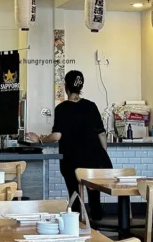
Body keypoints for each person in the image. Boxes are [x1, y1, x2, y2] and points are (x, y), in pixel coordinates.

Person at [25, 70, 111, 222]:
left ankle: (77, 223)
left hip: (72, 160)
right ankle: (97, 226)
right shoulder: (91, 106)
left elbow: (57, 136)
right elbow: (102, 134)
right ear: (81, 85)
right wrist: (103, 154)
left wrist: (40, 139)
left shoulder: (62, 108)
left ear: (66, 86)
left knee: (75, 193)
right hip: (94, 159)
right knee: (94, 194)